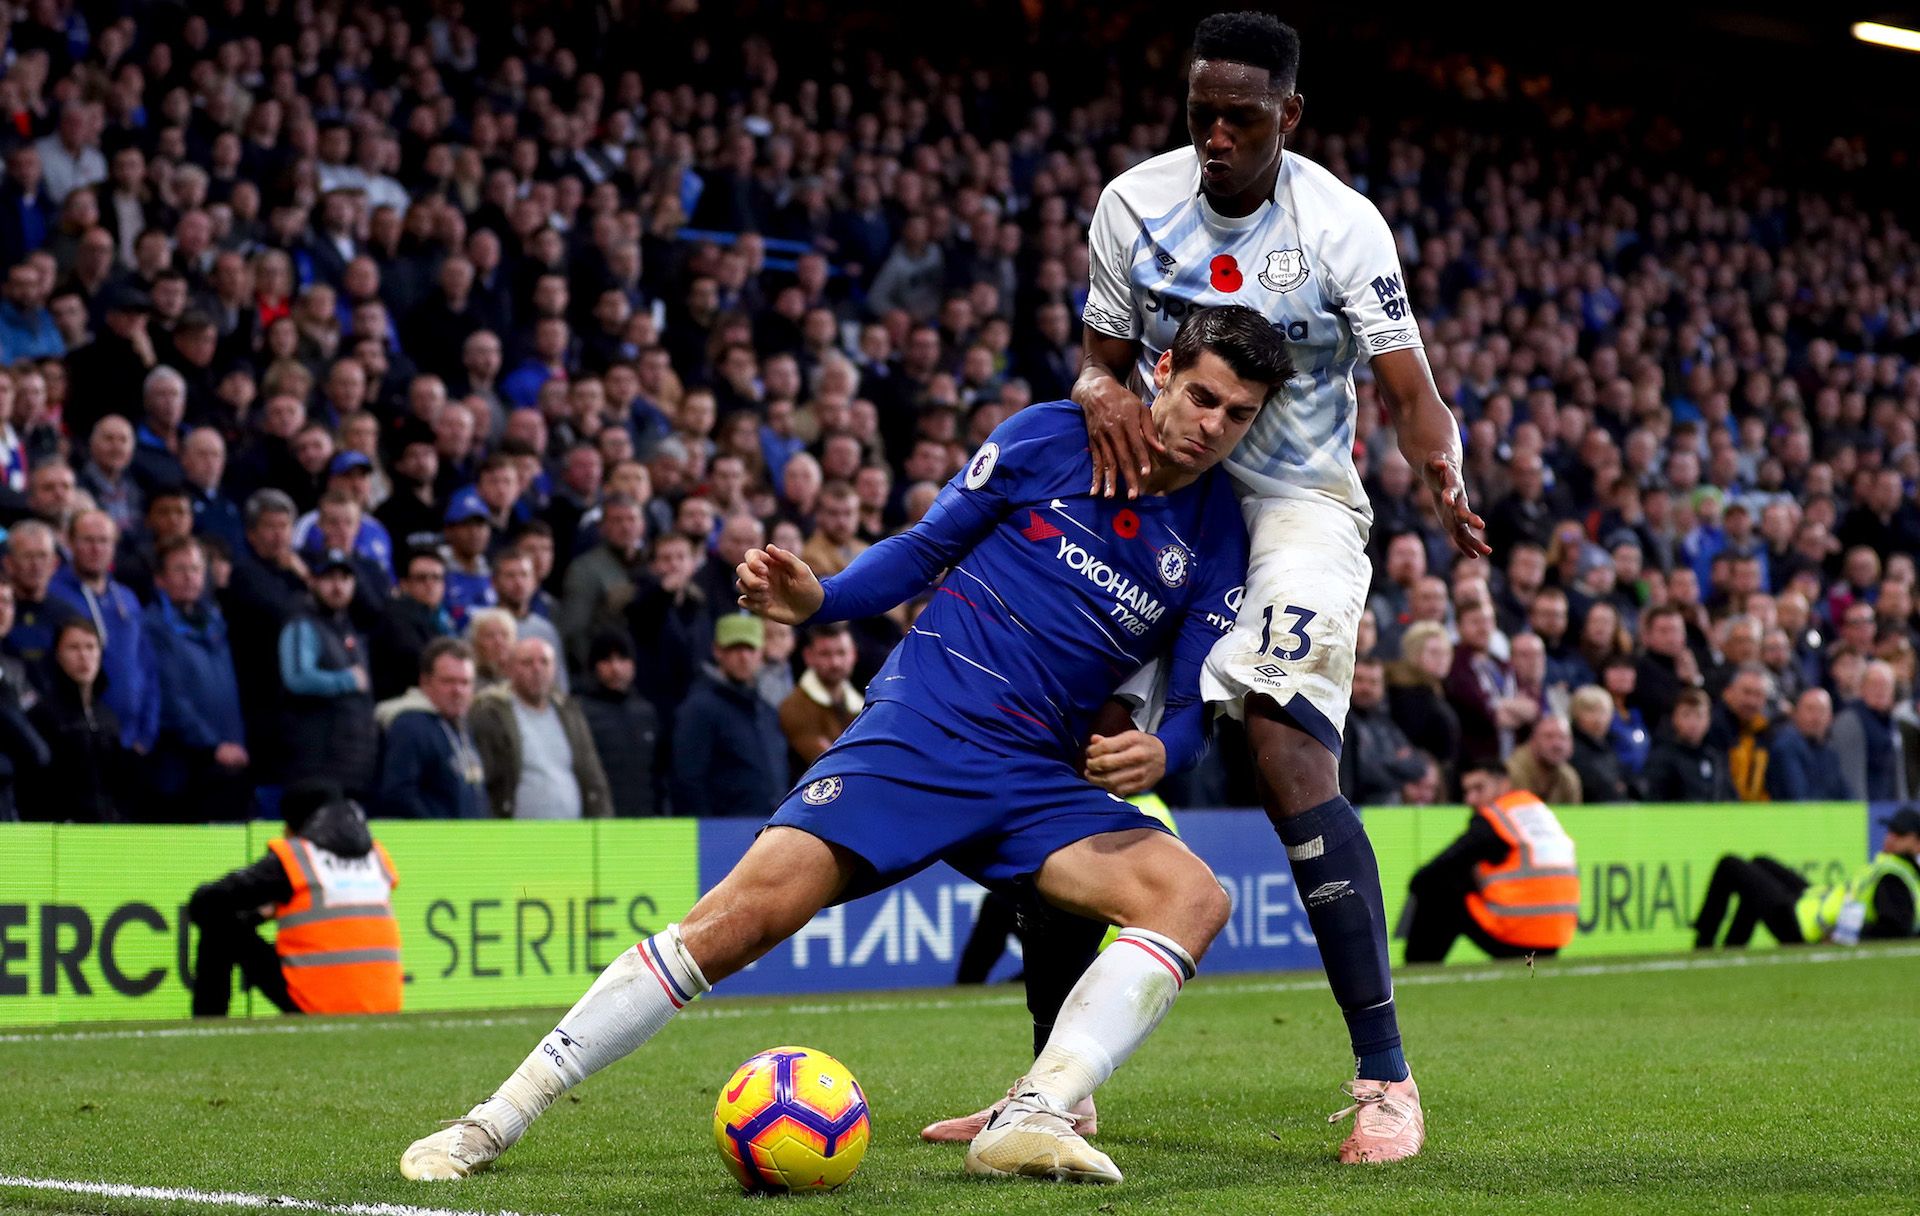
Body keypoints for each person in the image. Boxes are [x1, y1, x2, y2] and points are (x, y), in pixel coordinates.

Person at [398, 305, 1282, 1186]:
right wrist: (823, 600)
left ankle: (1034, 1113)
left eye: (1237, 415)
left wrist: (1163, 755)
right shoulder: (1050, 438)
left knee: (1191, 898)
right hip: (920, 731)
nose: (1212, 426)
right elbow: (923, 550)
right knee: (735, 922)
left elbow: (1197, 700)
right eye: (1202, 397)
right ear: (1161, 371)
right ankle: (493, 1120)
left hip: (1037, 778)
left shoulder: (1216, 536)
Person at [1062, 13, 1494, 1159]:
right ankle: (1056, 1085)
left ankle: (1387, 1080)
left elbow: (1409, 389)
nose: (1214, 134)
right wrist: (1095, 388)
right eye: (1201, 110)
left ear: (1288, 118)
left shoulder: (1344, 226)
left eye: (1240, 117)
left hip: (1297, 508)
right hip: (1167, 490)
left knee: (1286, 745)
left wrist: (1442, 470)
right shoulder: (1131, 204)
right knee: (1074, 747)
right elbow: (1101, 363)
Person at [185, 781, 402, 1016]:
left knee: (218, 926)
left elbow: (205, 902)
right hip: (384, 1004)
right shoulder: (377, 857)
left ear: (293, 824)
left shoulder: (297, 857)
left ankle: (209, 1023)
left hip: (317, 1002)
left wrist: (255, 916)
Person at [1401, 765, 1580, 964]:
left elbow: (1436, 870)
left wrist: (1415, 884)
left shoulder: (1495, 819)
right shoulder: (1535, 809)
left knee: (1437, 887)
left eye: (1479, 789)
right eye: (1467, 792)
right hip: (1556, 937)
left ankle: (1418, 967)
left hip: (1520, 937)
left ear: (1504, 784)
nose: (1471, 800)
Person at [1694, 807, 1920, 949]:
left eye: (1899, 835)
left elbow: (1893, 929)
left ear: (1917, 843)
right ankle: (1733, 948)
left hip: (1804, 925)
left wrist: (1842, 937)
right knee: (1759, 862)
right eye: (1890, 831)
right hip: (1813, 904)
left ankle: (1703, 945)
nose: (1889, 839)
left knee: (1729, 865)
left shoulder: (1894, 876)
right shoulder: (1900, 871)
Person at [142, 537, 251, 821]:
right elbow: (168, 697)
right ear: (160, 579)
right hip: (182, 767)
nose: (190, 577)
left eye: (195, 569)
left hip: (226, 759)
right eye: (180, 569)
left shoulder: (215, 622)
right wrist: (211, 745)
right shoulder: (153, 626)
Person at [47, 509, 159, 753]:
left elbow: (147, 665)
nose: (96, 548)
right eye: (88, 540)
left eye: (104, 541)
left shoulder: (127, 598)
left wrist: (147, 732)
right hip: (83, 738)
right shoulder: (54, 595)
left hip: (134, 740)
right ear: (69, 542)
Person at [468, 637, 612, 819]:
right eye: (527, 663)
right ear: (509, 668)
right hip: (515, 837)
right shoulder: (490, 714)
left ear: (554, 668)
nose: (537, 669)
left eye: (545, 662)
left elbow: (592, 774)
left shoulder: (570, 712)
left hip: (573, 836)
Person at [277, 549, 377, 798]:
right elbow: (297, 678)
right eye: (329, 578)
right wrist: (347, 680)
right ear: (312, 581)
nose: (338, 586)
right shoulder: (302, 623)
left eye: (344, 579)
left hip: (352, 765)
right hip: (317, 766)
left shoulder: (346, 628)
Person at [669, 613, 788, 817]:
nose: (743, 657)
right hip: (722, 833)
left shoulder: (766, 710)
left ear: (761, 652)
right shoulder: (700, 709)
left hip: (766, 829)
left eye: (750, 648)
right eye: (734, 648)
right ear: (717, 651)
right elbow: (688, 780)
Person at [20, 620, 130, 822]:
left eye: (90, 647)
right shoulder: (42, 715)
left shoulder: (108, 716)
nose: (84, 656)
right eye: (74, 647)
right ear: (57, 655)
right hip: (60, 836)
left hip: (108, 831)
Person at [377, 639, 486, 820]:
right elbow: (400, 794)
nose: (458, 690)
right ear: (425, 682)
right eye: (448, 681)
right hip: (432, 844)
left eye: (465, 682)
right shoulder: (410, 725)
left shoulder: (461, 725)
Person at [574, 631, 662, 818]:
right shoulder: (578, 712)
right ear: (594, 666)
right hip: (598, 824)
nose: (615, 668)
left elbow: (658, 775)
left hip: (646, 822)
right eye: (606, 660)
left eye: (622, 659)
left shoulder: (646, 713)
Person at [777, 621, 863, 780]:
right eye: (825, 654)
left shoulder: (861, 706)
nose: (835, 663)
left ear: (854, 655)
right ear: (808, 656)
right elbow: (830, 762)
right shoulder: (794, 706)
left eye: (841, 653)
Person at [1339, 655, 1428, 806]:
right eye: (1359, 680)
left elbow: (1417, 766)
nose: (1366, 688)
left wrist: (1381, 765)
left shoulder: (1384, 723)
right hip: (1356, 809)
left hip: (1386, 812)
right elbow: (1365, 775)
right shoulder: (1342, 722)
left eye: (1373, 682)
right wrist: (1395, 763)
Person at [371, 547, 455, 702]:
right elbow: (414, 658)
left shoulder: (441, 617)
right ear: (404, 584)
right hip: (401, 701)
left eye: (436, 578)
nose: (430, 584)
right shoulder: (396, 614)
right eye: (421, 578)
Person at [1641, 689, 1734, 802]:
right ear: (1674, 718)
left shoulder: (1715, 759)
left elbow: (1729, 798)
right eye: (1686, 715)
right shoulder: (1661, 759)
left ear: (1708, 720)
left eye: (1699, 715)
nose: (1693, 722)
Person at [1765, 689, 1852, 802]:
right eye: (1810, 709)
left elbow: (1847, 795)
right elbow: (1797, 798)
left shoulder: (1830, 752)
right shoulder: (1786, 746)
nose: (1816, 717)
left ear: (1830, 718)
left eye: (1821, 711)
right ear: (1796, 714)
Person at [1505, 714, 1583, 805]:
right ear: (1533, 740)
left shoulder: (1569, 778)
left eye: (1563, 737)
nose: (1557, 744)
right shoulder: (1511, 772)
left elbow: (1574, 815)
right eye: (1548, 736)